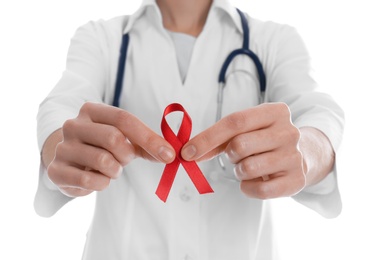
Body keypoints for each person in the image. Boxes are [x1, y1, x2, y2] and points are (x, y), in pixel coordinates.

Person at [34, 0, 344, 259]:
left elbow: (317, 111)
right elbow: (62, 106)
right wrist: (60, 147)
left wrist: (306, 152)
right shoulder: (102, 38)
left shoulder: (274, 40)